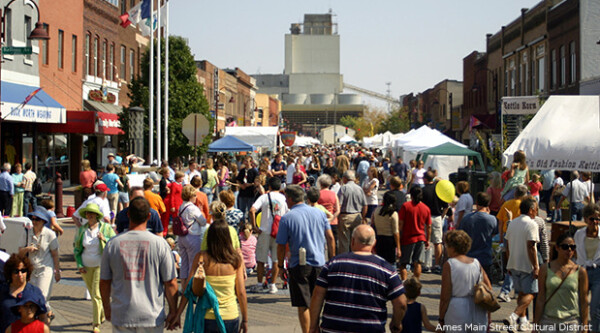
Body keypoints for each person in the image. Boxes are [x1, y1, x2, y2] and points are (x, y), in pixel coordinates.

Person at [308, 225, 406, 333]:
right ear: (374, 243)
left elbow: (317, 295)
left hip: (333, 328)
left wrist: (313, 326)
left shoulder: (333, 264)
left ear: (352, 241)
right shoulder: (386, 269)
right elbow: (401, 303)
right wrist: (396, 324)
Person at [100, 197, 177, 332]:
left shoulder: (113, 244)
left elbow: (105, 281)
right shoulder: (160, 244)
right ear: (149, 216)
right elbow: (170, 282)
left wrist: (107, 307)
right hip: (151, 315)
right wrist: (173, 310)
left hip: (122, 314)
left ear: (128, 214)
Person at [169, 216, 249, 333]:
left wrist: (178, 314)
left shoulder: (201, 258)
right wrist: (245, 320)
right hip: (230, 316)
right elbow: (241, 292)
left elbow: (188, 289)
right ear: (227, 238)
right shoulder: (236, 260)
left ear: (209, 237)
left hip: (207, 317)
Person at [276, 185, 335, 333]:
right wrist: (332, 260)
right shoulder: (320, 214)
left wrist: (280, 265)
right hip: (319, 263)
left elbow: (281, 245)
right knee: (318, 301)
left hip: (298, 265)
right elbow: (330, 238)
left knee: (303, 304)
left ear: (290, 199)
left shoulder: (287, 218)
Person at [73, 203, 116, 332]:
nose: (89, 216)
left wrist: (105, 238)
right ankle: (101, 314)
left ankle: (96, 324)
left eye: (92, 214)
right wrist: (79, 265)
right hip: (86, 266)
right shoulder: (82, 230)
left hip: (100, 265)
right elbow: (77, 249)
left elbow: (115, 242)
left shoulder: (105, 228)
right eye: (87, 213)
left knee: (97, 294)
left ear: (97, 216)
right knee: (93, 295)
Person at [533, 233, 589, 333]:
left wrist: (584, 326)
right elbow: (540, 298)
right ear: (557, 248)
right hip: (548, 320)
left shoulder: (580, 271)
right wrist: (536, 325)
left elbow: (584, 301)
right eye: (565, 247)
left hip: (571, 321)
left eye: (572, 247)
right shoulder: (545, 269)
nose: (569, 250)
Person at [439, 230, 492, 332]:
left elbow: (445, 296)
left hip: (457, 309)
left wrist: (441, 319)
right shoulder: (476, 262)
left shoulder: (449, 264)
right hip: (477, 308)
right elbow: (488, 287)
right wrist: (489, 317)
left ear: (453, 248)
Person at [503, 197, 540, 331]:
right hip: (526, 264)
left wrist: (508, 262)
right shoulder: (532, 224)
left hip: (513, 263)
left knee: (522, 294)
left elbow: (507, 245)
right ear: (531, 210)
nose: (537, 212)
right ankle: (514, 316)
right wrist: (536, 266)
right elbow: (531, 246)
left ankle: (523, 322)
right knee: (531, 293)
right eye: (536, 209)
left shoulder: (512, 223)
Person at [17, 207, 59, 321]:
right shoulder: (26, 232)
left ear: (44, 221)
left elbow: (55, 254)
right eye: (33, 219)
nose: (34, 222)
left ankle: (42, 321)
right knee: (31, 296)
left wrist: (57, 271)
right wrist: (27, 249)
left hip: (45, 269)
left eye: (37, 220)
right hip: (31, 270)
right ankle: (45, 313)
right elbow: (19, 252)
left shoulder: (50, 234)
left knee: (42, 296)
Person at [249, 177, 288, 294]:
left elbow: (252, 210)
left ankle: (260, 284)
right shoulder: (283, 198)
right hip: (278, 232)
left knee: (261, 259)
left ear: (269, 186)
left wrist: (255, 226)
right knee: (276, 260)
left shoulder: (264, 197)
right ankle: (273, 285)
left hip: (264, 231)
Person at [0, 254, 48, 333]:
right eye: (16, 271)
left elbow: (43, 317)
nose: (20, 274)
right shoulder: (2, 290)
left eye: (23, 271)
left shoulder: (35, 292)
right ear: (10, 273)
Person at [457, 192, 498, 278]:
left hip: (469, 257)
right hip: (485, 257)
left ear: (476, 202)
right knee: (486, 286)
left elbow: (460, 234)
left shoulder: (467, 218)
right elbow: (494, 233)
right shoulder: (492, 219)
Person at [574, 203, 600, 333]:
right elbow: (575, 254)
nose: (595, 222)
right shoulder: (579, 234)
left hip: (598, 273)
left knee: (595, 309)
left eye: (597, 219)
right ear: (585, 219)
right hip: (582, 272)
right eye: (592, 219)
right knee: (581, 307)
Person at [398, 186, 431, 281]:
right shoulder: (426, 208)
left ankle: (404, 282)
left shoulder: (406, 206)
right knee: (418, 262)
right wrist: (427, 240)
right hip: (420, 238)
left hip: (407, 238)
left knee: (403, 263)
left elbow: (401, 223)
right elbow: (428, 226)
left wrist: (399, 236)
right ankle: (416, 282)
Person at [177, 185, 208, 283]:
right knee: (193, 263)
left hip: (182, 236)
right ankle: (191, 286)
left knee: (184, 263)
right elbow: (203, 222)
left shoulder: (181, 206)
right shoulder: (193, 208)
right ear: (190, 196)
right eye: (194, 195)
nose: (196, 197)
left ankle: (183, 285)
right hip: (193, 236)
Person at [421, 171, 448, 274]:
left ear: (425, 179)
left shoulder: (423, 190)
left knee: (425, 240)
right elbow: (446, 206)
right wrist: (441, 217)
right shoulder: (439, 191)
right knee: (437, 242)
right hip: (437, 217)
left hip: (425, 218)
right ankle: (437, 265)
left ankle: (426, 264)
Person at [337, 170, 367, 254]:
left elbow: (339, 204)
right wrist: (363, 217)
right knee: (355, 239)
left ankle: (345, 258)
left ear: (345, 178)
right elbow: (365, 205)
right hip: (357, 215)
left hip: (345, 216)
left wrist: (337, 216)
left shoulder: (343, 188)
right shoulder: (359, 188)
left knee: (344, 241)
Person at [372, 192, 399, 265]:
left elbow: (372, 223)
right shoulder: (393, 214)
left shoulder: (377, 210)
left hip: (379, 238)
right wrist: (399, 248)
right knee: (390, 263)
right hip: (390, 241)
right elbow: (396, 232)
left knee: (379, 262)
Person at [317, 174, 340, 243]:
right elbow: (338, 210)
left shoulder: (318, 194)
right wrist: (331, 219)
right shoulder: (334, 194)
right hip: (333, 221)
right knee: (333, 242)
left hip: (320, 221)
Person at [236, 156, 258, 222]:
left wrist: (250, 184)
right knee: (241, 210)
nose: (246, 163)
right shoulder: (242, 171)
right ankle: (242, 223)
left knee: (249, 210)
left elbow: (257, 182)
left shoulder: (254, 171)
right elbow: (238, 180)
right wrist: (241, 185)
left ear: (251, 162)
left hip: (250, 193)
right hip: (242, 193)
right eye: (245, 161)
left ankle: (249, 224)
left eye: (247, 161)